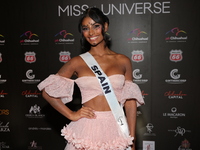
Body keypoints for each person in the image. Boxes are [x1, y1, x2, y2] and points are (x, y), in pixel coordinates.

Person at [38, 7, 144, 150]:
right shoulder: (77, 62)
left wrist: (132, 136)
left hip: (116, 127)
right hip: (86, 127)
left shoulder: (123, 61)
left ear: (105, 26)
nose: (91, 32)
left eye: (96, 26)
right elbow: (47, 92)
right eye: (85, 28)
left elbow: (130, 102)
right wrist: (71, 114)